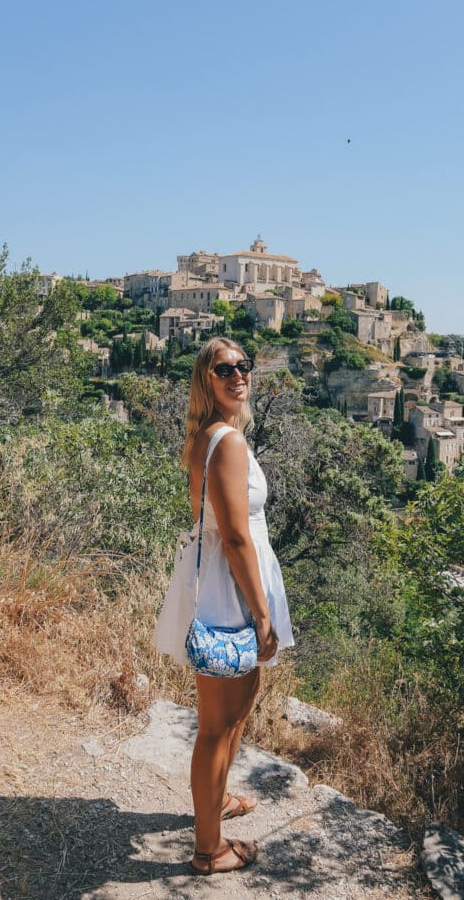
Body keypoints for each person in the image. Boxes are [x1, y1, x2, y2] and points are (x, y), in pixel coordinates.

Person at [153, 336, 294, 875]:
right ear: (205, 381)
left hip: (227, 579)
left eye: (244, 366)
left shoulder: (210, 437)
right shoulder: (227, 443)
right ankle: (208, 849)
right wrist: (261, 614)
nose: (238, 375)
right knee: (217, 722)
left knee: (239, 706)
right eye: (223, 369)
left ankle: (216, 802)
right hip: (233, 588)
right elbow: (235, 537)